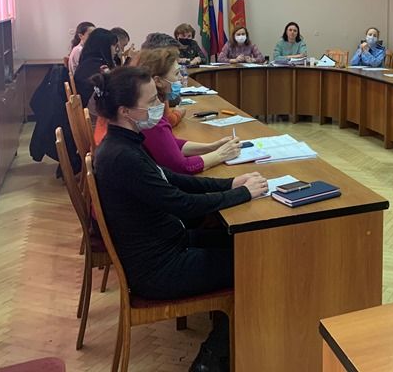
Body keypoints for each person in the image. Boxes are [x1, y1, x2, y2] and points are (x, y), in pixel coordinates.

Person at [91, 66, 267, 372]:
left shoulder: (126, 141)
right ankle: (211, 360)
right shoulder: (122, 156)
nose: (158, 106)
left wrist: (230, 184)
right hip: (158, 269)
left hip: (169, 244)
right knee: (253, 266)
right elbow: (182, 204)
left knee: (249, 246)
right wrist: (243, 194)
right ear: (125, 111)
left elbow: (171, 179)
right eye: (151, 101)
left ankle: (231, 343)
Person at [134, 48, 242, 175]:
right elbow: (182, 167)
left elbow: (172, 144)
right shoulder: (149, 117)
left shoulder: (152, 108)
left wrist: (212, 146)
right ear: (158, 81)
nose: (181, 77)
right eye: (176, 74)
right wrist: (221, 154)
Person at [73, 28, 119, 113]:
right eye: (114, 46)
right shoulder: (99, 68)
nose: (116, 51)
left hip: (86, 108)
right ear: (105, 47)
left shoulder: (88, 62)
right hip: (94, 112)